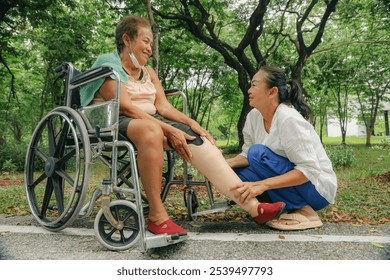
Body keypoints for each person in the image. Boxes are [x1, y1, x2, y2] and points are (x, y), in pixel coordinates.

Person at [80, 15, 285, 236]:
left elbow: (164, 107)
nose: (150, 48)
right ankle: (157, 217)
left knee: (197, 139)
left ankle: (255, 208)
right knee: (152, 130)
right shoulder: (108, 65)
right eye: (146, 41)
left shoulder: (148, 73)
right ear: (127, 39)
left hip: (152, 122)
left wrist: (191, 123)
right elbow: (127, 108)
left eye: (152, 44)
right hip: (113, 121)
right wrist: (168, 129)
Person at [227, 65, 338, 230]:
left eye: (254, 85)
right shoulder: (253, 117)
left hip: (316, 190)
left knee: (258, 153)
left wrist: (263, 185)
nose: (249, 90)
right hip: (292, 183)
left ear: (272, 92)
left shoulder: (288, 119)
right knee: (234, 175)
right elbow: (246, 155)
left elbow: (309, 170)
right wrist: (221, 165)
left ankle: (306, 211)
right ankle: (276, 209)